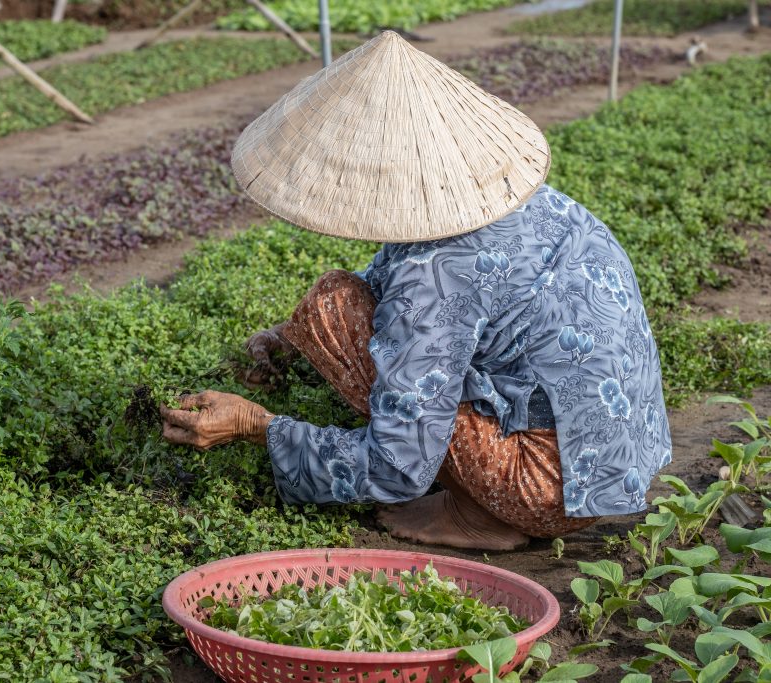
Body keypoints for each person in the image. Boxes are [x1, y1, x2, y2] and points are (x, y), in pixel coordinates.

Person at [161, 32, 672, 551]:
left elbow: (396, 467)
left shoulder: (432, 277)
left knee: (332, 307)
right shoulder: (525, 201)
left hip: (550, 489)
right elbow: (404, 267)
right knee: (334, 313)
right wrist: (286, 338)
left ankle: (482, 516)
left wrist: (258, 426)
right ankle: (488, 491)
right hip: (623, 461)